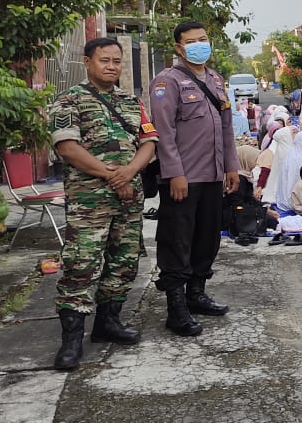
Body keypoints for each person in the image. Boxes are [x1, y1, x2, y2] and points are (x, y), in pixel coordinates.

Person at [47, 37, 158, 370]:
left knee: (123, 262)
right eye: (104, 60)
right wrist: (113, 176)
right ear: (87, 62)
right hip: (89, 201)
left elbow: (149, 142)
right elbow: (67, 148)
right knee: (81, 266)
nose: (111, 66)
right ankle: (71, 341)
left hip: (129, 197)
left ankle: (107, 323)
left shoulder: (131, 101)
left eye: (117, 61)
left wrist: (130, 172)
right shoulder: (69, 100)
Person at [149, 21, 240, 337]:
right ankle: (176, 309)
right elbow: (164, 133)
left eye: (203, 39)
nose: (199, 45)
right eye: (191, 41)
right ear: (178, 47)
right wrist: (174, 173)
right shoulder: (167, 82)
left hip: (214, 175)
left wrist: (231, 166)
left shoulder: (215, 80)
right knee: (177, 241)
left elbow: (226, 128)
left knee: (207, 237)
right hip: (184, 179)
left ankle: (196, 294)